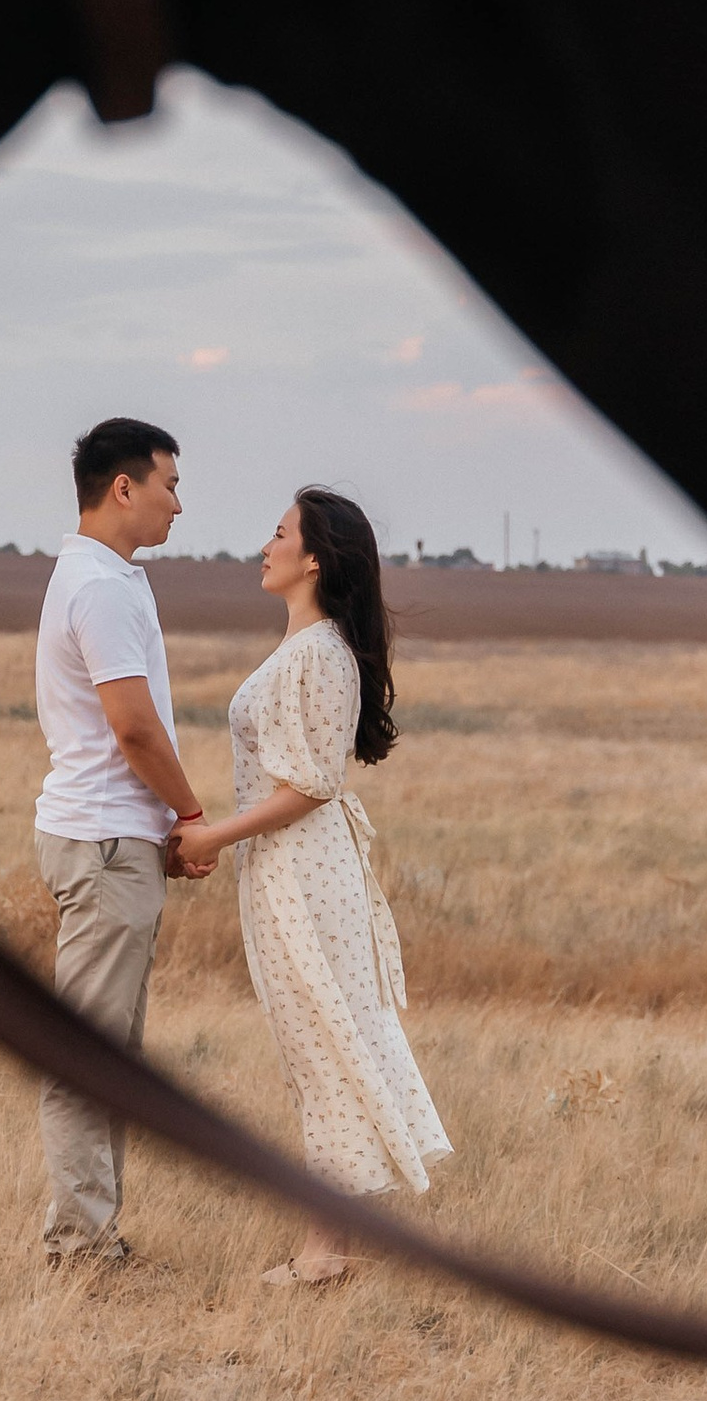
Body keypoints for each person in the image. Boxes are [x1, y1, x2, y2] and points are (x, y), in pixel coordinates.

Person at [179, 486, 451, 1284]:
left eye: (279, 534)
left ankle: (326, 1252)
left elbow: (312, 786)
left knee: (325, 1043)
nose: (265, 547)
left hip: (306, 873)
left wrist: (214, 837)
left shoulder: (322, 653)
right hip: (281, 869)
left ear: (315, 560)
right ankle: (333, 1240)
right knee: (313, 1046)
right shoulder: (302, 649)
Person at [30, 416, 204, 1264]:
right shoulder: (99, 587)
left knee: (113, 1055)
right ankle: (78, 1245)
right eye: (170, 485)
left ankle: (96, 1237)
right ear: (124, 487)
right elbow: (132, 727)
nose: (179, 504)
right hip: (104, 840)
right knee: (89, 1054)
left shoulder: (108, 577)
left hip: (111, 839)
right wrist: (191, 815)